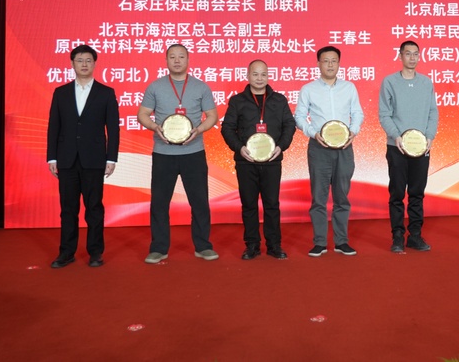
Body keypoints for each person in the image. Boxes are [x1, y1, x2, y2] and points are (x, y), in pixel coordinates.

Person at [137, 44, 219, 263]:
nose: (176, 60)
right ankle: (159, 248)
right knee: (159, 202)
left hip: (194, 152)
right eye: (172, 57)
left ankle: (203, 246)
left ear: (188, 60)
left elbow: (212, 115)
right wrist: (154, 127)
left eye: (181, 56)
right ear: (166, 61)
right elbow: (142, 114)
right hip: (163, 153)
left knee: (199, 201)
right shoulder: (155, 86)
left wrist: (199, 130)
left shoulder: (201, 87)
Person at [47, 44, 119, 268]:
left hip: (94, 159)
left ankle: (95, 253)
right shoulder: (61, 93)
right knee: (68, 209)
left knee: (94, 208)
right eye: (80, 60)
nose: (84, 64)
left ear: (94, 63)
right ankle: (66, 252)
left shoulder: (106, 93)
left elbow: (113, 129)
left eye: (88, 60)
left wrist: (111, 158)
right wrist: (52, 157)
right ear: (72, 64)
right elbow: (53, 127)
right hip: (66, 159)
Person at [221, 60, 296, 260]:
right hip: (246, 162)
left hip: (272, 161)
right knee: (249, 204)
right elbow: (227, 128)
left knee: (272, 204)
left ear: (268, 76)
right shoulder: (237, 101)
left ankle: (274, 245)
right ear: (248, 76)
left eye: (263, 74)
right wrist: (240, 148)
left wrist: (281, 146)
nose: (259, 78)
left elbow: (289, 125)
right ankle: (252, 245)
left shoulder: (279, 100)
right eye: (255, 74)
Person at [294, 46, 364, 257]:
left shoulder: (349, 87)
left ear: (339, 63)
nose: (330, 65)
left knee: (342, 196)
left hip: (344, 147)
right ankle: (320, 242)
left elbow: (357, 113)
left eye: (334, 61)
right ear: (318, 64)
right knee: (319, 197)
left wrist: (353, 132)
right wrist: (313, 133)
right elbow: (299, 117)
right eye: (326, 61)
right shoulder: (308, 89)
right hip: (319, 148)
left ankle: (341, 241)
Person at [378, 40, 438, 253]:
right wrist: (396, 136)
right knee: (396, 193)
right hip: (397, 147)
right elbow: (384, 114)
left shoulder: (426, 83)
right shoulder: (389, 82)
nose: (412, 58)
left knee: (417, 193)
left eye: (415, 54)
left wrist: (429, 136)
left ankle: (415, 235)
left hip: (421, 147)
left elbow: (433, 112)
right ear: (400, 56)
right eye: (408, 53)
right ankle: (397, 236)